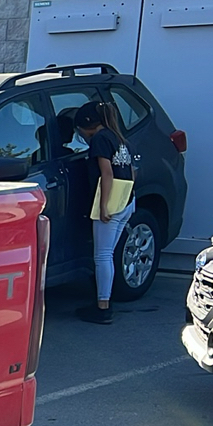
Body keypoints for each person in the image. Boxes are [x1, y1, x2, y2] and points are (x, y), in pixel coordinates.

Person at [74, 101, 135, 324]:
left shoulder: (99, 139)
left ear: (86, 125)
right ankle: (104, 296)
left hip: (111, 202)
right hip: (127, 199)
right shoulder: (118, 137)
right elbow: (131, 171)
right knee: (108, 253)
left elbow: (106, 172)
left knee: (102, 255)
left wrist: (103, 206)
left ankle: (102, 306)